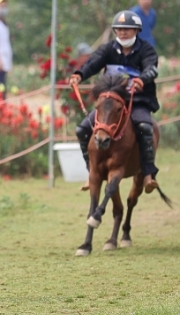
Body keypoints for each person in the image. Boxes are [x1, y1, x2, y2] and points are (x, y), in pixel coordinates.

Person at [68, 10, 160, 194]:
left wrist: (142, 79)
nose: (123, 32)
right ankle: (91, 172)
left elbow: (152, 68)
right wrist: (79, 75)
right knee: (82, 129)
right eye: (119, 29)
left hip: (137, 100)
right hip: (111, 103)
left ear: (137, 31)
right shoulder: (108, 49)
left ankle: (149, 174)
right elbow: (92, 63)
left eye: (127, 29)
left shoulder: (146, 50)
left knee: (145, 127)